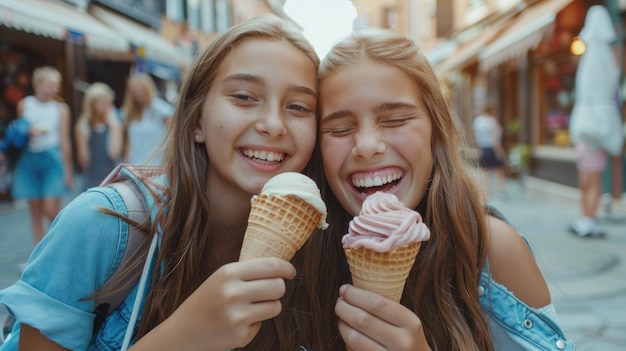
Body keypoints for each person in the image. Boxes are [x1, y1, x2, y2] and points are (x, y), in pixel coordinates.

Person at [0, 14, 319, 351]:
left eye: (298, 106)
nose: (273, 124)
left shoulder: (324, 254)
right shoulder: (99, 226)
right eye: (243, 97)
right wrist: (184, 336)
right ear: (197, 120)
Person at [305, 29, 574, 350]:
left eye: (395, 119)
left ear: (438, 128)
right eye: (340, 128)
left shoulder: (490, 250)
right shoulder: (299, 263)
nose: (366, 146)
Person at [568, 5, 623, 238]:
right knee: (595, 178)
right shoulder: (611, 54)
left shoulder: (585, 52)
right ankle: (589, 218)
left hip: (585, 123)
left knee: (586, 178)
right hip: (602, 123)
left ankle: (586, 218)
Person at [5, 66, 73, 245]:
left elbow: (64, 141)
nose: (54, 89)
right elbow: (20, 132)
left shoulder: (61, 109)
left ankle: (60, 243)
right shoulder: (24, 104)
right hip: (29, 159)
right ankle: (38, 254)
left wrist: (67, 171)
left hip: (52, 159)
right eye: (50, 84)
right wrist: (28, 133)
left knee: (51, 210)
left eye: (56, 85)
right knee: (35, 211)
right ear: (37, 84)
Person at [74, 82, 123, 191]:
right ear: (91, 104)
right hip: (91, 178)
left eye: (109, 103)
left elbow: (114, 153)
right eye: (102, 103)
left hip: (112, 178)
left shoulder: (114, 123)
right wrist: (84, 140)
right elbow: (83, 161)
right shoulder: (83, 125)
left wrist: (114, 128)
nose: (107, 106)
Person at [121, 73, 175, 165]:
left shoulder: (161, 108)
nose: (136, 93)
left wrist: (167, 162)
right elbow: (129, 144)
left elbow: (172, 136)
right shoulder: (130, 113)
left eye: (138, 89)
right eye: (133, 90)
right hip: (134, 166)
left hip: (155, 165)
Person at [473, 103, 507, 200]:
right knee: (500, 171)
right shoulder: (493, 122)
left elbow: (477, 138)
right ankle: (500, 191)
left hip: (483, 148)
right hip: (493, 148)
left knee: (485, 171)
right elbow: (495, 140)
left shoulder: (478, 121)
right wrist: (501, 152)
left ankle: (487, 192)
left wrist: (479, 149)